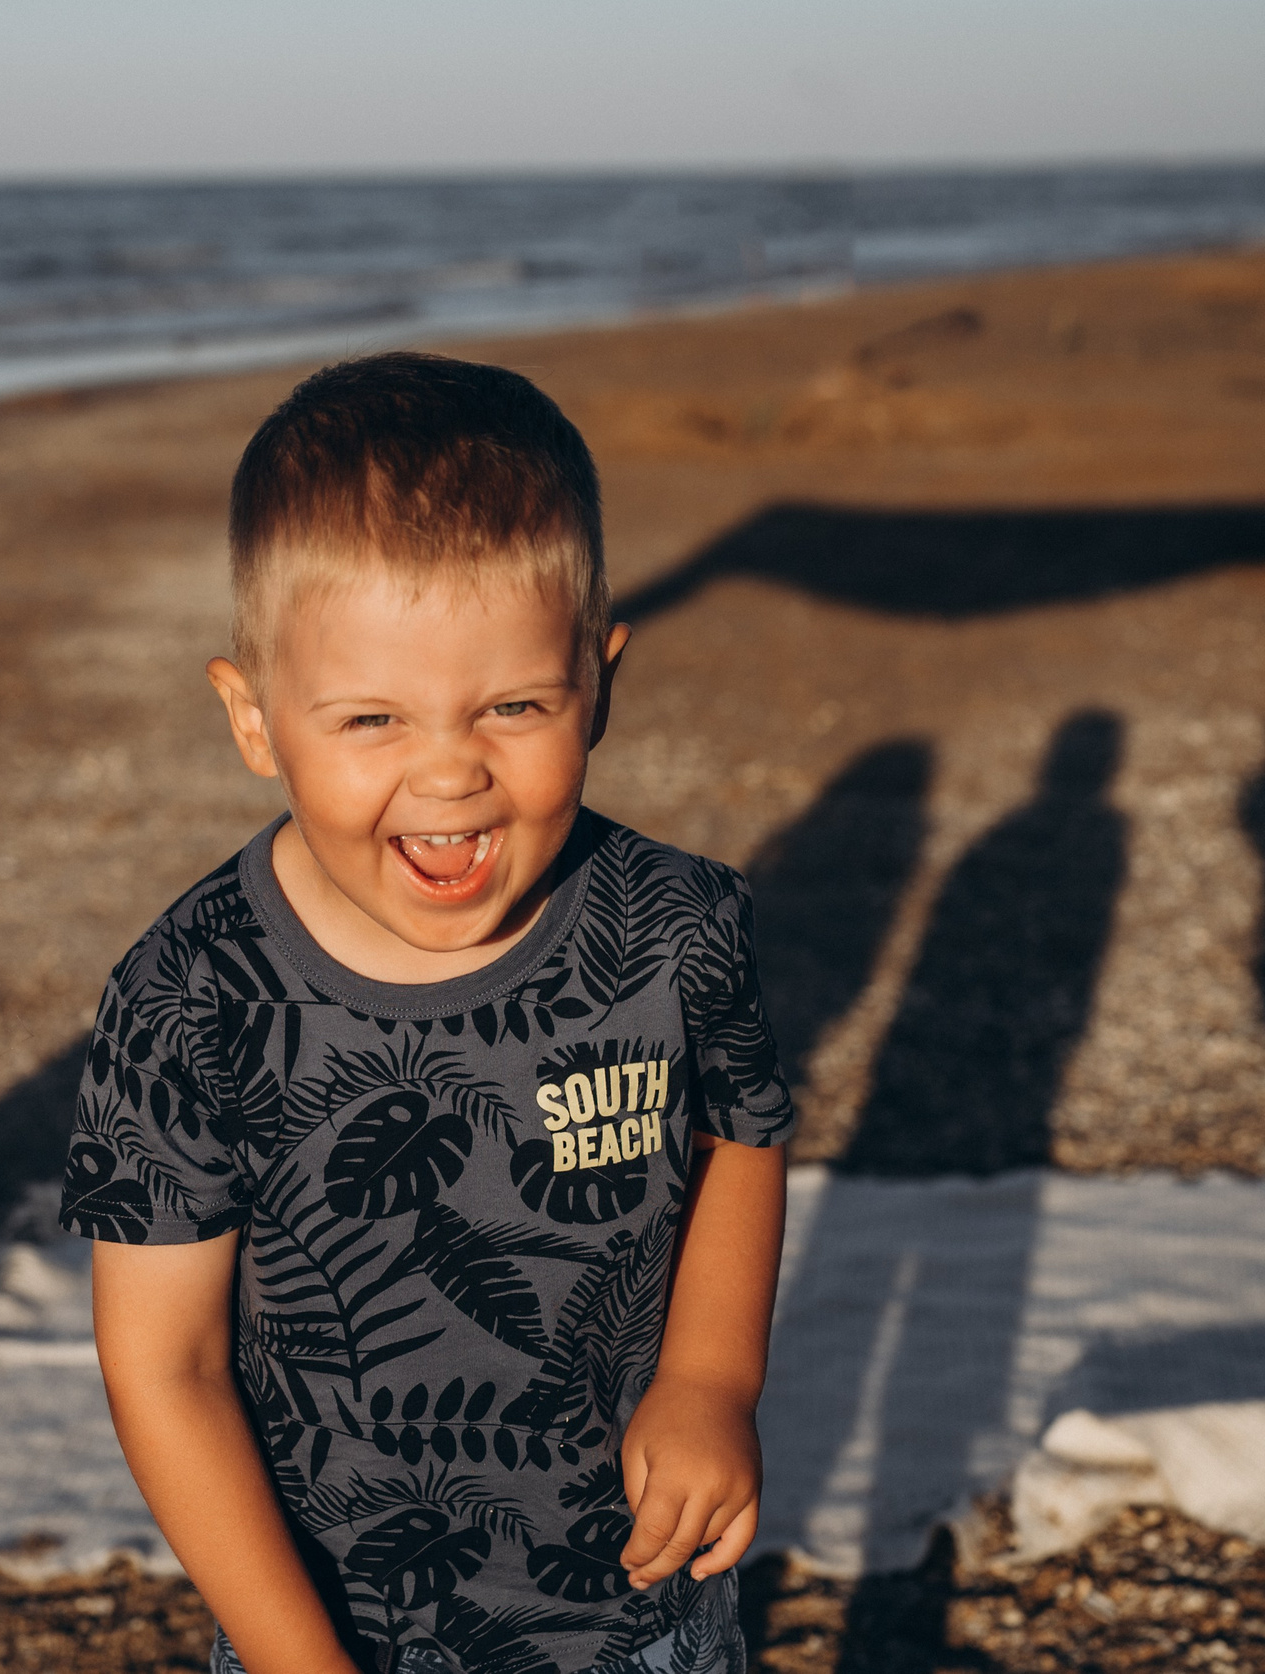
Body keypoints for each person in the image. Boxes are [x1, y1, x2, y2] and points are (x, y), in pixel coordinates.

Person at [61, 354, 792, 1674]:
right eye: (371, 719)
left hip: (641, 1620)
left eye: (514, 706)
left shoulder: (677, 927)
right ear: (254, 719)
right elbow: (167, 1369)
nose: (450, 770)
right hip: (325, 1631)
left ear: (599, 685)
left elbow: (740, 1129)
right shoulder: (190, 996)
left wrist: (710, 1377)